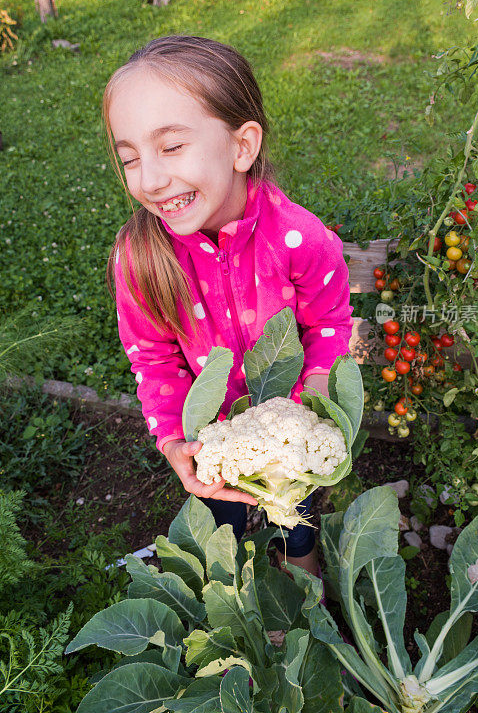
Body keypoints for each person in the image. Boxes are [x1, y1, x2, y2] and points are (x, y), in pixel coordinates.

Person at [104, 35, 353, 577]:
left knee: (298, 521)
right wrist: (174, 440)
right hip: (211, 439)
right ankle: (235, 598)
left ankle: (303, 594)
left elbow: (330, 328)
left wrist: (308, 418)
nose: (149, 178)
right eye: (130, 158)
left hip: (286, 432)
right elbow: (152, 358)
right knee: (222, 529)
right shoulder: (140, 258)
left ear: (243, 147)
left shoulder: (302, 241)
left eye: (171, 148)